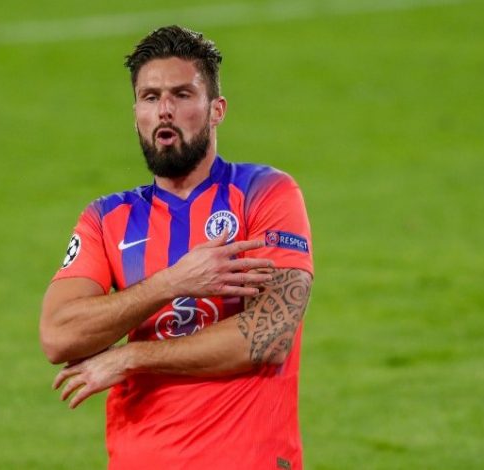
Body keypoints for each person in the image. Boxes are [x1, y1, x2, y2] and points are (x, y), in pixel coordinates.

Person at [40, 25, 314, 470]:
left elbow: (268, 337)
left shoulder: (265, 193)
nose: (164, 110)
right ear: (136, 113)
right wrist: (170, 283)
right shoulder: (107, 219)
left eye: (182, 95)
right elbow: (58, 336)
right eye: (150, 97)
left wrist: (132, 357)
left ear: (216, 109)